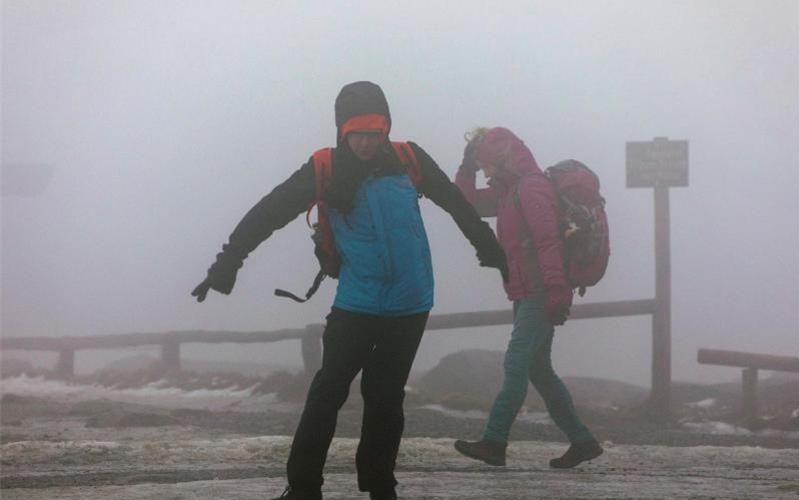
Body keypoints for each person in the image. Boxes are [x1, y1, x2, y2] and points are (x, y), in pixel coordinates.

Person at [191, 82, 507, 500]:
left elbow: (456, 204)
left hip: (410, 303)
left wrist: (490, 248)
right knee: (327, 393)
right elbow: (267, 213)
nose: (365, 142)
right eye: (356, 132)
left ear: (386, 129)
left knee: (386, 399)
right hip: (357, 302)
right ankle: (303, 488)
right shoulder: (324, 168)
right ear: (342, 131)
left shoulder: (409, 158)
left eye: (375, 132)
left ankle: (380, 486)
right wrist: (228, 261)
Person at [452, 127, 603, 469]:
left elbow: (548, 242)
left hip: (540, 291)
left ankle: (494, 441)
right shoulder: (509, 193)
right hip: (526, 292)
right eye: (481, 166)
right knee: (539, 370)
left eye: (486, 164)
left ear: (503, 159)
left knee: (516, 362)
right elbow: (466, 204)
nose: (486, 172)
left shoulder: (531, 189)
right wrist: (467, 168)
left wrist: (555, 291)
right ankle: (582, 441)